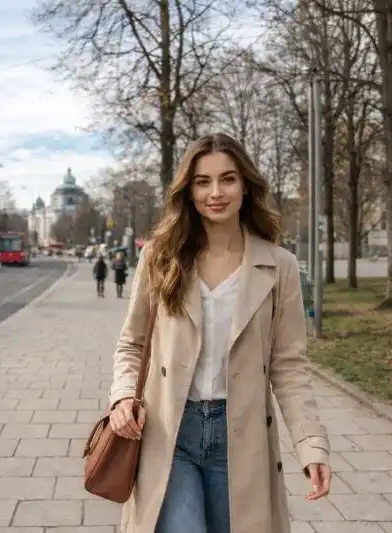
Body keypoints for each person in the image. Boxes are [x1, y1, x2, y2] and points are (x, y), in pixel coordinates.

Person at [108, 133, 331, 533]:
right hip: (169, 433)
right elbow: (132, 342)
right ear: (188, 191)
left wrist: (311, 445)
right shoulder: (161, 257)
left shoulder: (279, 266)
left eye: (227, 179)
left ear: (245, 185)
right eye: (202, 181)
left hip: (242, 437)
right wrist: (124, 396)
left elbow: (289, 365)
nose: (216, 192)